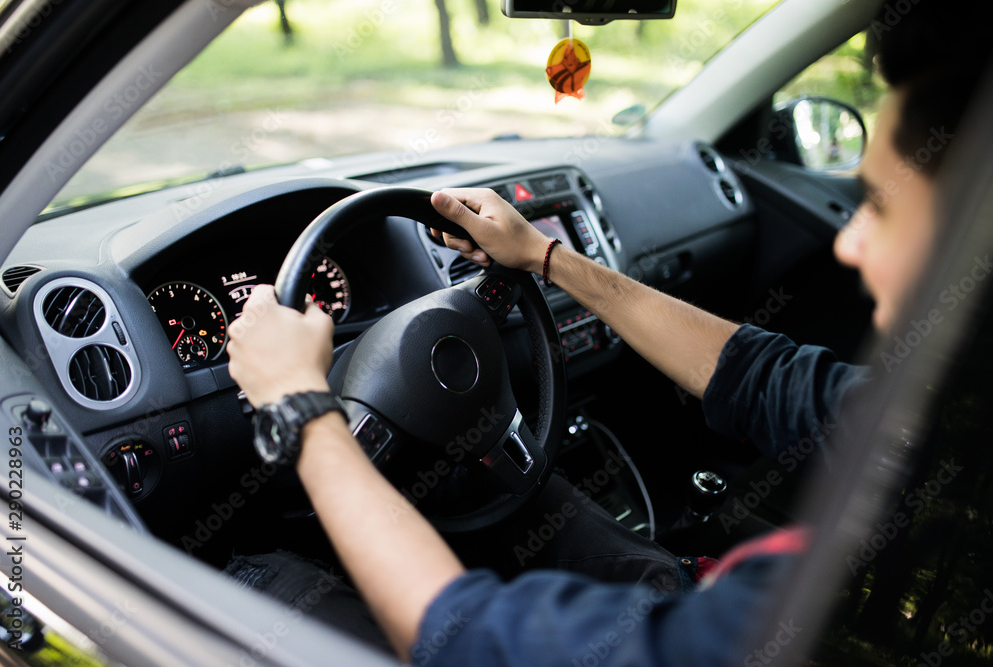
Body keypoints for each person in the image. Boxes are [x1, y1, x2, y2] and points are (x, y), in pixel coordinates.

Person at [224, 1, 993, 664]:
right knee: (568, 526)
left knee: (261, 582)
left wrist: (301, 407)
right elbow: (765, 376)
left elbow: (469, 642)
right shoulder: (940, 422)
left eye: (885, 207)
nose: (850, 241)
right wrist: (547, 259)